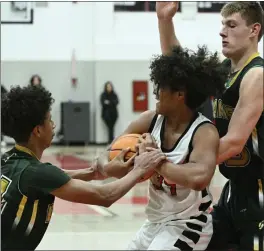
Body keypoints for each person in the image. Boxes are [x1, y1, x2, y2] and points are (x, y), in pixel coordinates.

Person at [1, 85, 166, 250]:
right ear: (37, 130)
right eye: (49, 120)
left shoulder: (8, 160)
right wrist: (140, 169)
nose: (53, 125)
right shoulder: (36, 173)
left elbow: (60, 176)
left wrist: (99, 171)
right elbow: (104, 196)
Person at [156, 1, 264, 250]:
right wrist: (164, 20)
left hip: (259, 190)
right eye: (222, 24)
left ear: (254, 30)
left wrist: (177, 167)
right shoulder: (224, 72)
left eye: (231, 25)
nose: (222, 31)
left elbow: (235, 142)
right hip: (234, 191)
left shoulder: (256, 76)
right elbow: (179, 69)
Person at [106, 45, 227, 250]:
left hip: (188, 224)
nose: (155, 93)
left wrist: (155, 159)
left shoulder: (204, 132)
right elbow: (109, 154)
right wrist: (118, 165)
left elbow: (199, 178)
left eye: (161, 88)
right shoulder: (150, 120)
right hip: (153, 223)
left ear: (180, 95)